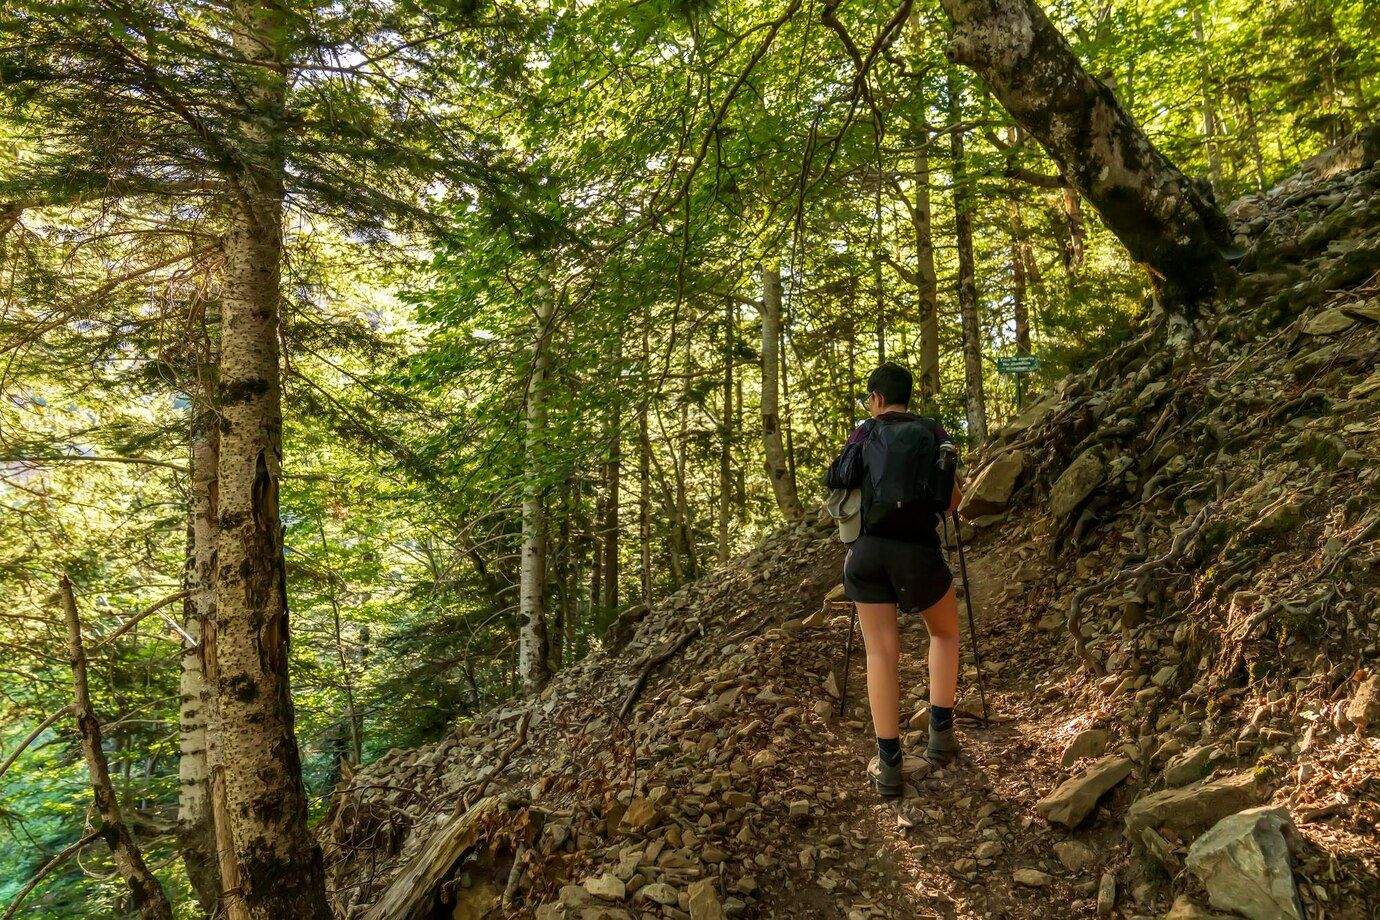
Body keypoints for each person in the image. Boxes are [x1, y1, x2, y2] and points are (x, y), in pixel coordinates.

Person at [830, 362, 963, 798]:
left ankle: (889, 764)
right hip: (918, 552)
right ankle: (940, 735)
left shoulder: (863, 434)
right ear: (908, 397)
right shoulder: (931, 432)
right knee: (944, 633)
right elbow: (952, 501)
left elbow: (840, 490)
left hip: (868, 553)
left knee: (881, 652)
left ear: (877, 398)